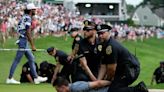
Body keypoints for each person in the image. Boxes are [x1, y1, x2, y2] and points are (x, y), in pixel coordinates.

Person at [96, 24, 148, 92]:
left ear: (109, 32)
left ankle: (138, 89)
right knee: (115, 87)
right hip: (124, 69)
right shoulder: (104, 44)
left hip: (130, 70)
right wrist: (98, 82)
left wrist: (106, 81)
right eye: (98, 33)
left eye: (102, 33)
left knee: (113, 90)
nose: (100, 36)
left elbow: (112, 69)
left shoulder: (110, 46)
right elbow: (103, 65)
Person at [6, 3, 47, 84]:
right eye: (34, 9)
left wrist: (32, 28)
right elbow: (28, 33)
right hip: (23, 41)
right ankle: (9, 78)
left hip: (23, 40)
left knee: (31, 58)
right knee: (17, 60)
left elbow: (22, 29)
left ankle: (35, 78)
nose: (35, 10)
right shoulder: (28, 18)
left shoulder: (24, 17)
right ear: (31, 10)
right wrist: (32, 45)